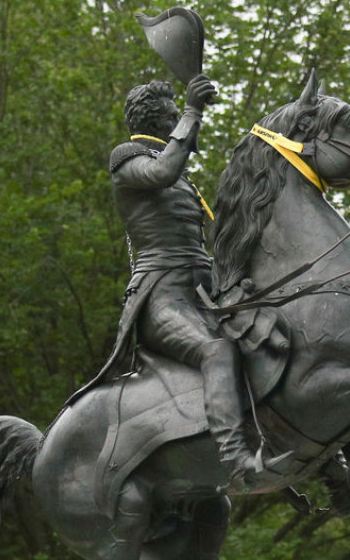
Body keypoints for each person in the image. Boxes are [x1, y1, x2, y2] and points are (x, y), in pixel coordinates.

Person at [103, 75, 275, 490]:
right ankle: (235, 457)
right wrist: (194, 110)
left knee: (273, 333)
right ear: (158, 118)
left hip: (202, 290)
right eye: (174, 111)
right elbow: (162, 170)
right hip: (162, 296)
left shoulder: (181, 175)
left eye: (180, 111)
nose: (179, 116)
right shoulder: (127, 159)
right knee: (216, 351)